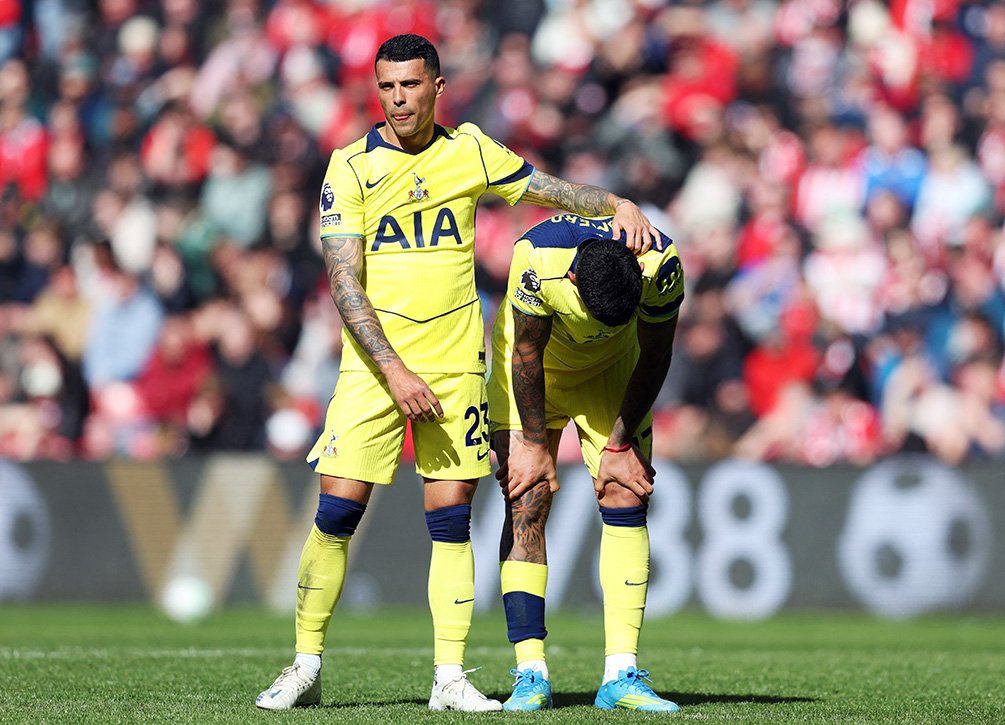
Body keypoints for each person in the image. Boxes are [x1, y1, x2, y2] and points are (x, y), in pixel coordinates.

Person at [256, 33, 659, 713]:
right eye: (386, 87)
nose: (397, 99)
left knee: (450, 519)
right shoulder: (349, 167)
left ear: (437, 87)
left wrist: (616, 203)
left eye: (410, 85)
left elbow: (547, 189)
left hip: (454, 365)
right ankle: (305, 663)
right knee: (337, 511)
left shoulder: (469, 150)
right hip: (375, 367)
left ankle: (449, 676)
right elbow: (344, 282)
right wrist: (393, 370)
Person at [488, 213, 685, 712]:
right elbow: (526, 352)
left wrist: (619, 445)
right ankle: (530, 674)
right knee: (527, 497)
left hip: (612, 372)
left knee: (626, 492)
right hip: (534, 370)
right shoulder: (539, 259)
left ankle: (621, 675)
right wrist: (534, 446)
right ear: (573, 280)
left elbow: (656, 355)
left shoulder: (661, 264)